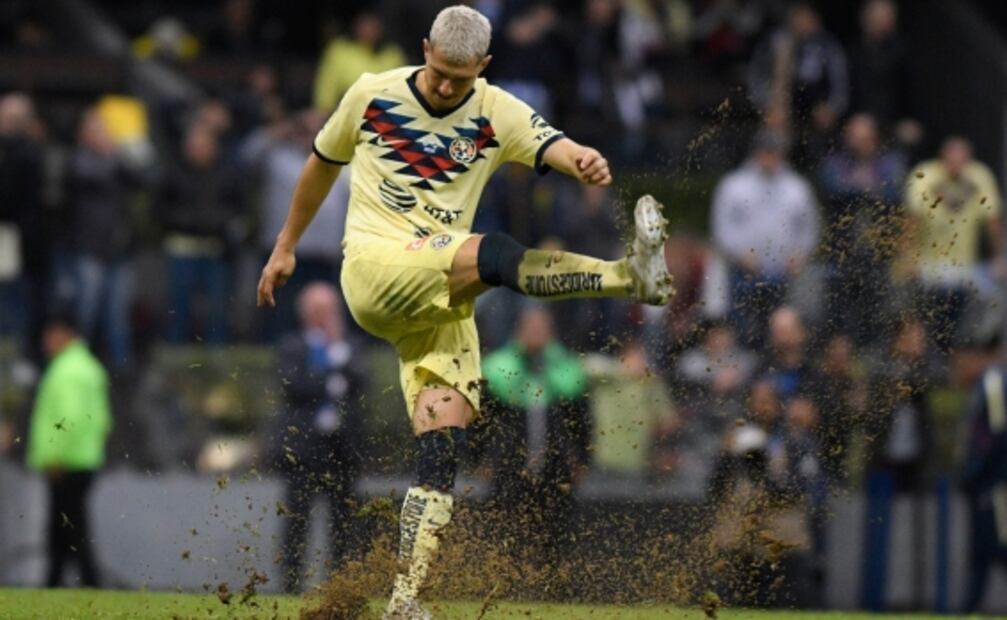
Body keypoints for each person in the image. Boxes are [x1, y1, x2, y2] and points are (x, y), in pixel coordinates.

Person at [256, 6, 673, 617]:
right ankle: (626, 278)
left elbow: (551, 143)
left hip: (439, 297)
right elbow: (321, 162)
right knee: (496, 251)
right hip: (377, 269)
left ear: (484, 65)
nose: (446, 86)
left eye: (460, 76)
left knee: (442, 445)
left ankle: (406, 599)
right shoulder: (372, 95)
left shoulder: (495, 107)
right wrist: (286, 244)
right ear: (425, 48)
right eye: (438, 71)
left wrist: (582, 157)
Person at [477, 304, 590, 569]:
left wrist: (582, 459)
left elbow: (582, 422)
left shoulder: (566, 370)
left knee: (557, 533)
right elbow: (481, 423)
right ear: (518, 331)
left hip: (557, 467)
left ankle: (555, 589)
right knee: (507, 531)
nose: (536, 334)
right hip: (509, 467)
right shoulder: (497, 370)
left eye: (542, 329)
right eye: (531, 328)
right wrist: (481, 460)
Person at [271, 282, 366, 593]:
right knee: (297, 519)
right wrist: (332, 374)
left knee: (343, 521)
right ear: (305, 313)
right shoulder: (292, 346)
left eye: (329, 310)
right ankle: (290, 586)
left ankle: (340, 586)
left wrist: (336, 353)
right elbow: (295, 386)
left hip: (342, 449)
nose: (324, 316)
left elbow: (361, 382)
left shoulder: (350, 345)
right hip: (304, 448)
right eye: (318, 310)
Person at [26, 312, 112, 587]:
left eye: (50, 335)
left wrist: (55, 455)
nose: (45, 342)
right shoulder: (88, 367)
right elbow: (101, 419)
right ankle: (59, 580)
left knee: (69, 526)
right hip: (83, 457)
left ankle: (84, 581)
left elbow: (68, 419)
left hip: (67, 460)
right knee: (66, 525)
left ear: (65, 334)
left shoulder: (67, 371)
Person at [712, 130, 819, 347]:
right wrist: (740, 255)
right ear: (756, 154)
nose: (770, 158)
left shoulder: (797, 187)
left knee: (784, 325)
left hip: (785, 273)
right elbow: (722, 229)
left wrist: (800, 254)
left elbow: (809, 227)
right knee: (743, 326)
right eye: (766, 152)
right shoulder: (733, 185)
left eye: (775, 152)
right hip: (744, 271)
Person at [900, 136, 1003, 352]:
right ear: (942, 157)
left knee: (995, 297)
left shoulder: (979, 175)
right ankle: (916, 353)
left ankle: (975, 351)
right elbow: (912, 221)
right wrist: (908, 257)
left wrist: (1000, 258)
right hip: (929, 263)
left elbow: (993, 221)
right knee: (909, 299)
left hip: (967, 266)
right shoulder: (925, 174)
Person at [959, 333, 1007, 612]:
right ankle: (970, 606)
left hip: (995, 483)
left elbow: (998, 434)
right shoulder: (985, 384)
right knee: (982, 550)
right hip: (987, 482)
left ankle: (970, 606)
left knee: (995, 547)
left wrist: (976, 472)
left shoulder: (992, 384)